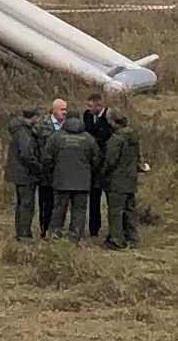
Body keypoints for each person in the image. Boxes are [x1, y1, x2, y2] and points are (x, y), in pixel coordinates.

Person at [43, 114, 98, 240]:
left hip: (61, 180)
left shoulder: (56, 137)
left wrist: (52, 173)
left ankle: (55, 233)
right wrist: (89, 172)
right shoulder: (89, 139)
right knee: (79, 209)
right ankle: (75, 235)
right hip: (82, 181)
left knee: (59, 208)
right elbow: (96, 159)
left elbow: (47, 159)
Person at [99, 109, 143, 249]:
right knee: (129, 210)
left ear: (113, 122)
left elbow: (110, 160)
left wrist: (103, 173)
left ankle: (116, 240)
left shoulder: (116, 139)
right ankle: (132, 238)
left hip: (117, 180)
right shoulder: (133, 137)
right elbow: (138, 158)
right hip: (131, 179)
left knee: (115, 211)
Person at [3, 109, 44, 240]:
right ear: (33, 118)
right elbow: (26, 155)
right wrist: (38, 167)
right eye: (38, 118)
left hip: (18, 173)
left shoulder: (19, 129)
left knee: (21, 203)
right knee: (27, 204)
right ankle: (24, 234)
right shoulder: (24, 133)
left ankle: (21, 231)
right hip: (25, 174)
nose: (40, 121)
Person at [81, 96, 114, 236]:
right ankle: (94, 227)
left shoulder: (109, 117)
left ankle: (113, 228)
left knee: (109, 196)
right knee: (94, 196)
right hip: (92, 162)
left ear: (98, 106)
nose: (88, 109)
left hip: (105, 161)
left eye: (91, 106)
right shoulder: (87, 116)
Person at [38, 98, 69, 234]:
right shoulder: (44, 125)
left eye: (66, 109)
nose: (64, 112)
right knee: (46, 201)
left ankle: (56, 228)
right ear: (54, 110)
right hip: (47, 169)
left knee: (60, 202)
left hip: (62, 169)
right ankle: (44, 228)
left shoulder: (68, 126)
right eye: (62, 109)